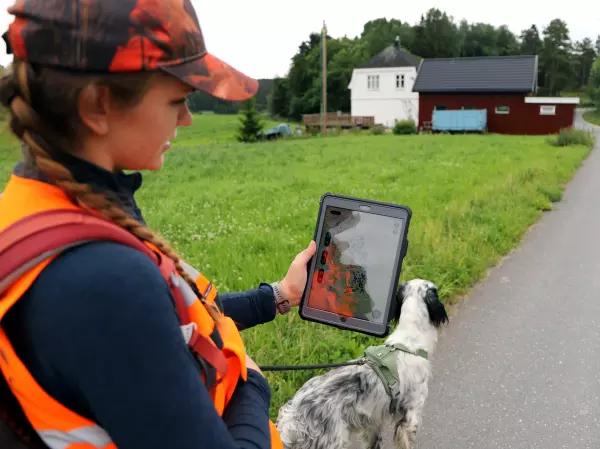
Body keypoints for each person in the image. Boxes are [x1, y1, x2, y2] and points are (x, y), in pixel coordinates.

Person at [0, 1, 316, 448]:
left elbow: (162, 328)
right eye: (177, 99)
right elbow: (132, 315)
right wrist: (251, 388)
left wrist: (279, 296)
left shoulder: (42, 210)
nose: (186, 118)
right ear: (97, 105)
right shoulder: (102, 278)